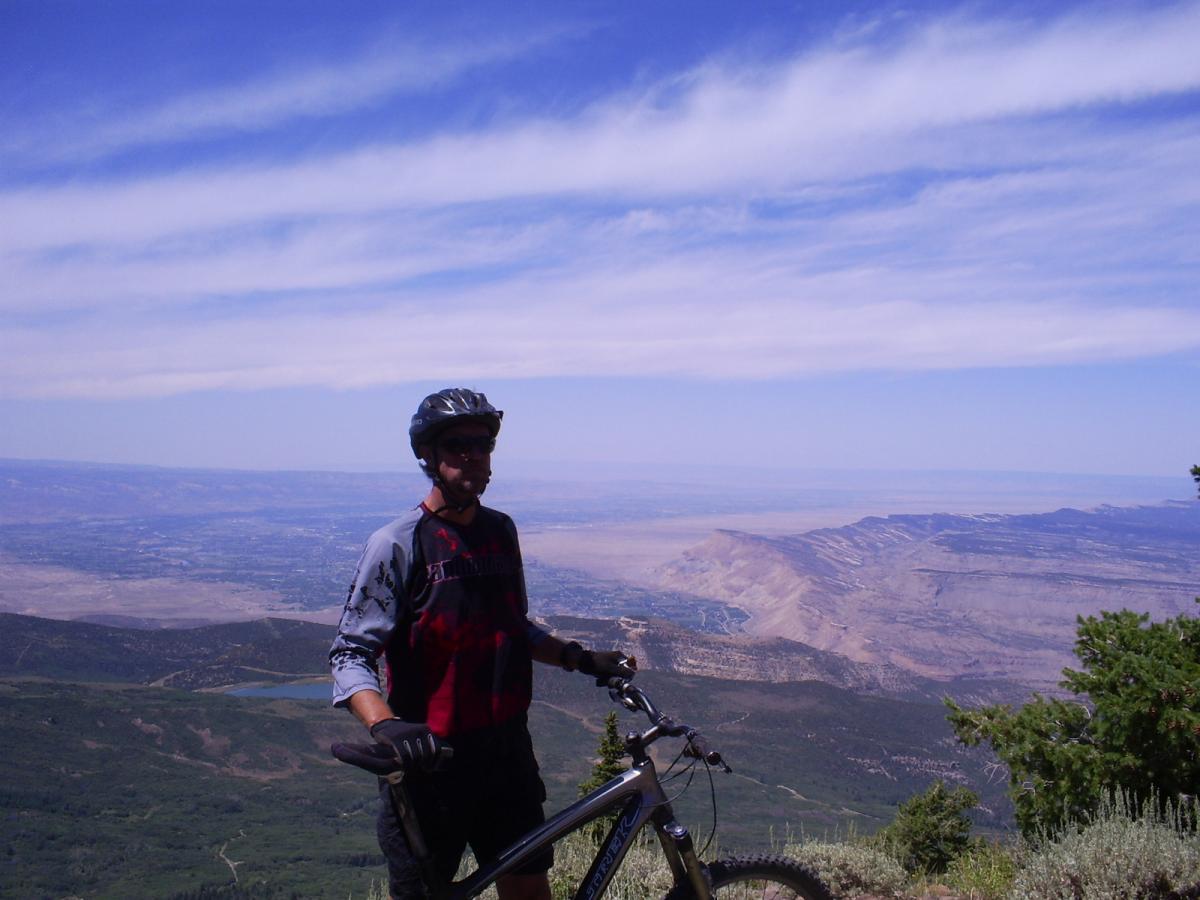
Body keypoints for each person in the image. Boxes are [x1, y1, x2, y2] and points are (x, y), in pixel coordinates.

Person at [330, 388, 636, 900]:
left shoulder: (500, 531)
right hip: (431, 761)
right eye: (457, 445)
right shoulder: (399, 543)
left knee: (529, 885)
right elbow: (350, 653)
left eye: (484, 444)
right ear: (428, 456)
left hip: (507, 752)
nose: (474, 456)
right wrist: (385, 724)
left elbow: (512, 626)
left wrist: (578, 658)